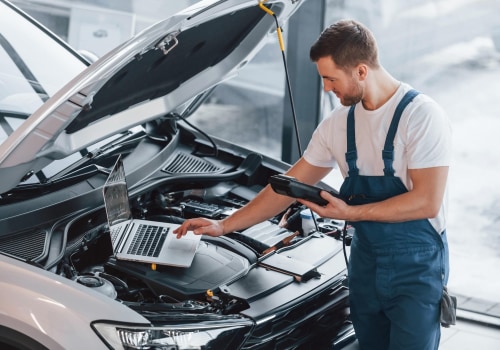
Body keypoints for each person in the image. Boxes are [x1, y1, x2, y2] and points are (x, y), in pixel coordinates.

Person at [174, 19, 451, 350]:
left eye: (331, 79)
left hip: (415, 265)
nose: (326, 89)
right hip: (366, 259)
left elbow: (426, 201)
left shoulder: (420, 116)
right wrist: (224, 225)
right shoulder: (339, 124)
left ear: (361, 71)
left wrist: (352, 212)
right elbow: (285, 185)